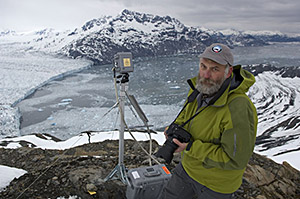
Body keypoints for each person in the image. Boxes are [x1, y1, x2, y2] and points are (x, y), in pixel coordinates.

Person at [160, 43, 258, 199]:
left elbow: (235, 160)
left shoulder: (238, 107)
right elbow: (185, 116)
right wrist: (175, 129)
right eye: (203, 66)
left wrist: (191, 147)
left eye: (215, 69)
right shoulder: (200, 89)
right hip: (188, 169)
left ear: (228, 72)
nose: (205, 75)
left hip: (216, 184)